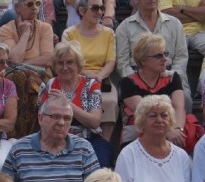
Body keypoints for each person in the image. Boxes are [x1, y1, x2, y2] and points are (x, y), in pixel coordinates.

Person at [1, 94, 99, 182]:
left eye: (67, 118)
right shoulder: (20, 148)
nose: (61, 122)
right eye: (55, 116)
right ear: (40, 118)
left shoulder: (84, 148)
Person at [39, 41, 112, 167]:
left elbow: (94, 122)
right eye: (60, 63)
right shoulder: (48, 86)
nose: (65, 67)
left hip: (89, 138)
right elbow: (43, 121)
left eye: (70, 62)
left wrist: (67, 104)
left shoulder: (91, 85)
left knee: (99, 170)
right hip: (55, 138)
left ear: (78, 64)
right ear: (54, 66)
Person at [61, 0, 117, 143]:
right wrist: (86, 74)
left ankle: (105, 144)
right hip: (75, 76)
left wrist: (99, 76)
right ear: (81, 11)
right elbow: (67, 60)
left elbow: (111, 61)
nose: (99, 12)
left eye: (102, 8)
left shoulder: (108, 33)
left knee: (110, 101)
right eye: (95, 8)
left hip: (101, 78)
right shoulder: (69, 33)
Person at [118, 33, 188, 147]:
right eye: (158, 56)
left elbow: (179, 107)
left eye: (165, 54)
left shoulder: (172, 78)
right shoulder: (128, 82)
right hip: (137, 131)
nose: (165, 59)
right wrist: (168, 131)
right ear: (143, 61)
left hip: (171, 128)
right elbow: (145, 112)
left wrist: (177, 129)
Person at [115, 0, 190, 101]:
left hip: (170, 74)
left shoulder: (175, 24)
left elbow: (181, 57)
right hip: (138, 78)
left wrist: (172, 78)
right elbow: (122, 63)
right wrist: (138, 80)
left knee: (185, 99)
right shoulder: (124, 27)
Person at [0, 0, 54, 68]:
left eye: (37, 3)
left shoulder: (45, 28)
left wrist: (21, 64)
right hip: (13, 77)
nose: (35, 7)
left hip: (42, 76)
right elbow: (14, 59)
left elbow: (48, 60)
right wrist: (25, 33)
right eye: (30, 4)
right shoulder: (6, 30)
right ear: (17, 7)